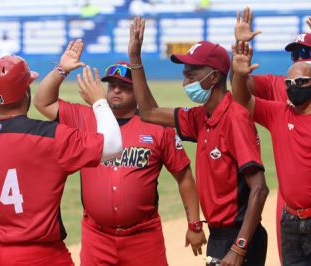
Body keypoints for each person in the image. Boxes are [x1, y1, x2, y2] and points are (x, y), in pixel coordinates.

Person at [33, 39, 207, 266]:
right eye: (112, 85)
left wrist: (194, 225)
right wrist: (61, 69)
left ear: (138, 90)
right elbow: (42, 101)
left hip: (144, 237)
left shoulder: (158, 126)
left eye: (124, 86)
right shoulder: (85, 118)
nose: (116, 90)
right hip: (97, 236)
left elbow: (183, 176)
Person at [128, 17, 269, 266]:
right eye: (184, 74)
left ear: (214, 77)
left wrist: (239, 247)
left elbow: (259, 188)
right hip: (219, 234)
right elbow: (149, 112)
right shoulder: (201, 116)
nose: (185, 81)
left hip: (239, 236)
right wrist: (136, 61)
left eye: (191, 74)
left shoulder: (234, 118)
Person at [0, 55, 123, 265]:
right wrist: (99, 101)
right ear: (25, 92)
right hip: (42, 255)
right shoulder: (50, 137)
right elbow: (113, 146)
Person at [234, 8, 311, 261]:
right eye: (295, 53)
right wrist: (239, 53)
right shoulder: (283, 86)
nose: (298, 58)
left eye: (306, 53)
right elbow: (242, 91)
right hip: (290, 205)